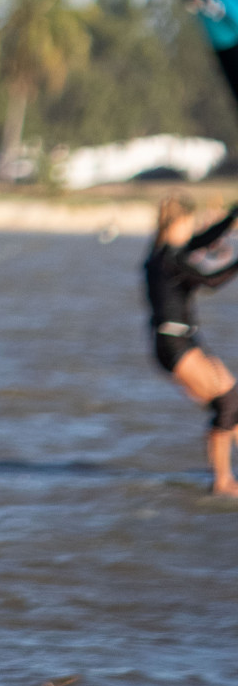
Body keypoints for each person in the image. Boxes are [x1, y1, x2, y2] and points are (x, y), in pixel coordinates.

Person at [145, 193, 238, 496]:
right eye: (188, 223)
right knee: (226, 402)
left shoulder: (167, 252)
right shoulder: (168, 259)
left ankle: (223, 478)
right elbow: (211, 281)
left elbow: (203, 239)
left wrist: (231, 216)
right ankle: (223, 482)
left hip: (185, 339)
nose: (192, 228)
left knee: (232, 400)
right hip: (173, 343)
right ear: (176, 223)